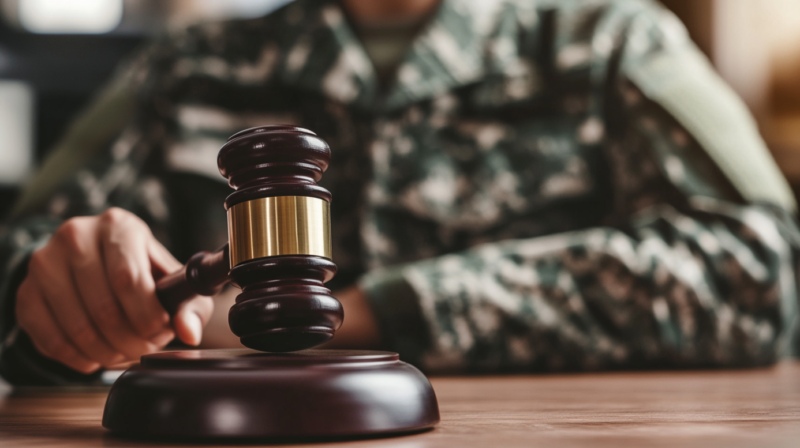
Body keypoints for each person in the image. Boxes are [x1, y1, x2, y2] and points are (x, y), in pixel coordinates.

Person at [1, 0, 799, 385]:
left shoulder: (610, 43)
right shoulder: (188, 67)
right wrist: (65, 284)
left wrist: (376, 310)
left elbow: (762, 273)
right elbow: (28, 252)